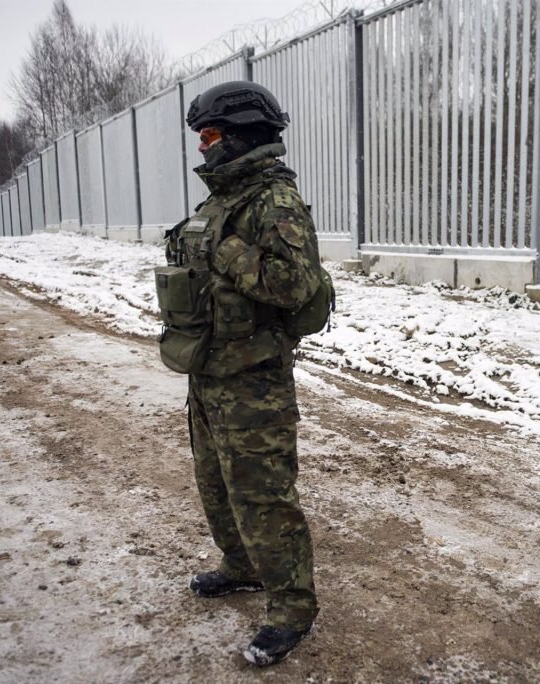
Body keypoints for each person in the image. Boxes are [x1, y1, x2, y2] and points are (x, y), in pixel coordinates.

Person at [158, 80, 322, 667]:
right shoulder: (224, 200)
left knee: (263, 496)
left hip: (253, 380)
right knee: (216, 485)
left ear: (242, 134)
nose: (203, 148)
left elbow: (294, 284)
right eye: (201, 136)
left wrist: (224, 252)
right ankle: (242, 566)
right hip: (208, 369)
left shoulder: (272, 201)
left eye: (210, 135)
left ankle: (292, 609)